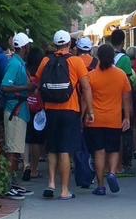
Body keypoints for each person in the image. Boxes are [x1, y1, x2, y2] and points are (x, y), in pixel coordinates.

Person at [36, 30, 93, 200]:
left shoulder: (46, 60)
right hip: (70, 110)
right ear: (70, 44)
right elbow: (86, 87)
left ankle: (51, 183)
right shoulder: (76, 61)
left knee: (52, 148)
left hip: (50, 110)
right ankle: (65, 190)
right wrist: (90, 110)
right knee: (65, 150)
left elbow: (37, 81)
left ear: (55, 45)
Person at [86, 44, 132, 196]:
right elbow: (126, 98)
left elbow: (86, 99)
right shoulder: (121, 75)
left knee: (99, 153)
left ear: (98, 56)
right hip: (114, 119)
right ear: (113, 57)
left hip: (96, 120)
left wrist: (84, 116)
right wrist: (126, 117)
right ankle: (112, 172)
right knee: (113, 149)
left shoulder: (91, 76)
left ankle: (100, 186)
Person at [1, 32, 35, 199]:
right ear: (24, 47)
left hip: (19, 110)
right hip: (15, 110)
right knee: (12, 151)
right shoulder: (15, 64)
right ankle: (9, 185)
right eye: (28, 45)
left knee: (15, 150)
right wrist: (25, 88)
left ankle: (13, 184)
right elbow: (5, 87)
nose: (29, 48)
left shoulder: (19, 63)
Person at [110, 29, 136, 176]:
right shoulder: (124, 59)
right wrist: (130, 105)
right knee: (123, 134)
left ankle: (110, 165)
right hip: (120, 101)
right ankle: (121, 164)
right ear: (122, 41)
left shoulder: (105, 55)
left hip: (106, 100)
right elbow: (127, 84)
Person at [22, 47, 45, 181]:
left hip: (25, 107)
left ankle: (26, 164)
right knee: (36, 140)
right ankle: (35, 169)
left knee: (26, 139)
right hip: (38, 110)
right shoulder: (42, 73)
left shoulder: (25, 71)